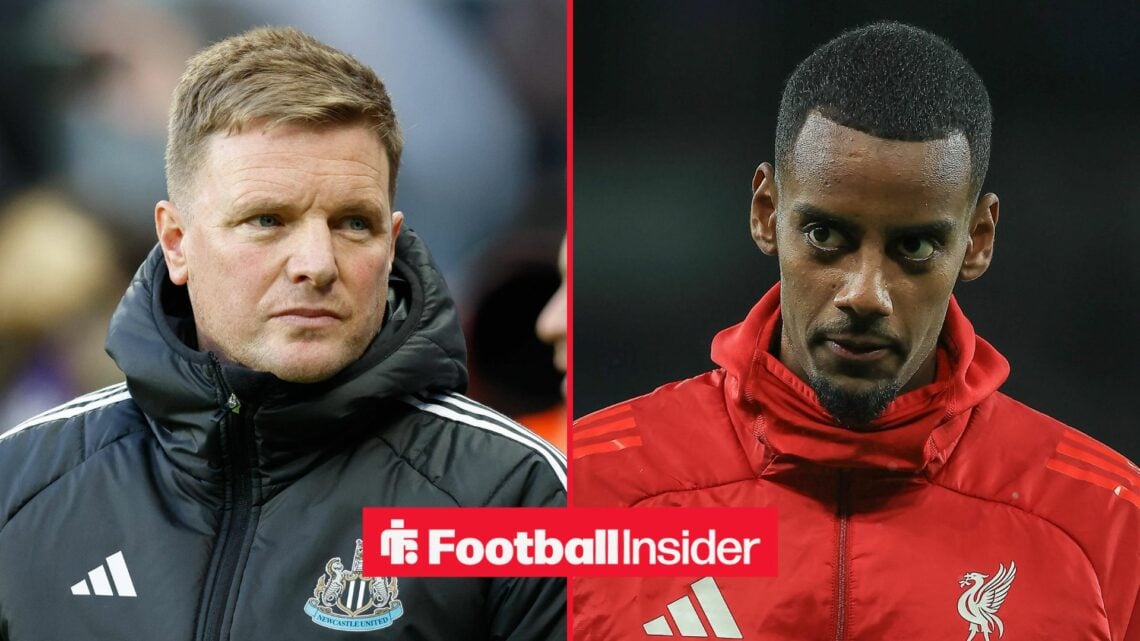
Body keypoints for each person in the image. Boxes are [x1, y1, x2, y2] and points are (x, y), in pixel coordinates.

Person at [572, 22, 1138, 641]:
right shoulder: (587, 489)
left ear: (977, 240)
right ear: (767, 213)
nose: (865, 293)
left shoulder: (1108, 523)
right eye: (826, 236)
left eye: (915, 245)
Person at [0, 27, 566, 640]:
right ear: (176, 242)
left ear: (393, 237)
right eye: (267, 220)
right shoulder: (23, 481)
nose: (318, 263)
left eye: (354, 223)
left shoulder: (516, 496)